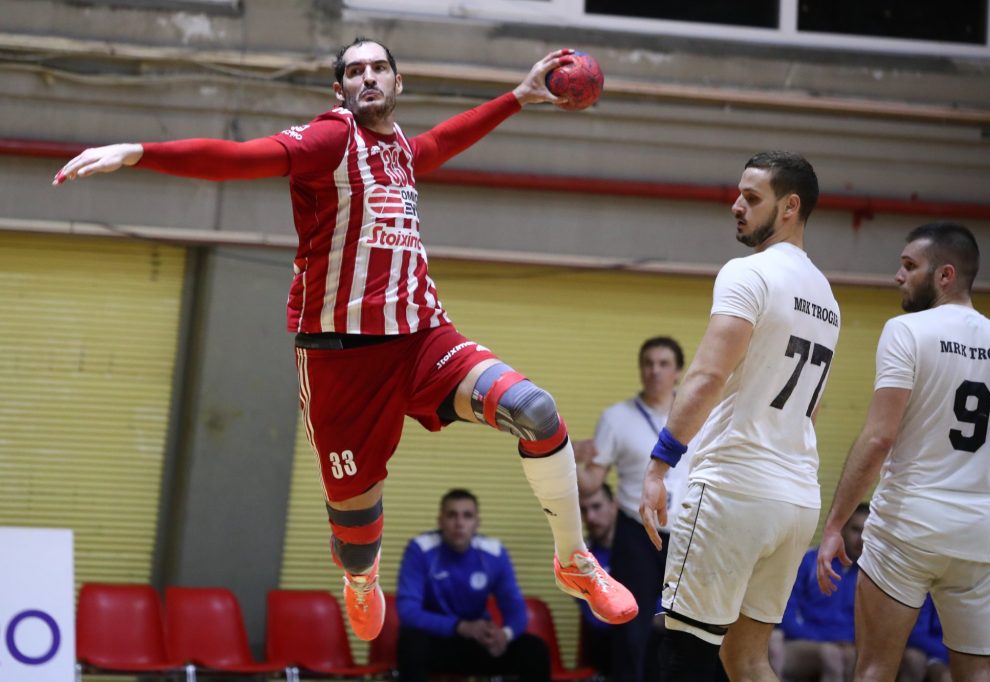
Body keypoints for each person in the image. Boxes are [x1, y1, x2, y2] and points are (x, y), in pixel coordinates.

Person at [53, 38, 637, 640]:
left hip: (422, 340)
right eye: (355, 71)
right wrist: (138, 152)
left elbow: (441, 142)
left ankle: (573, 561)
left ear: (398, 82)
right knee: (356, 540)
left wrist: (517, 96)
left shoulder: (400, 149)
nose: (368, 77)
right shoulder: (330, 140)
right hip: (341, 361)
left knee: (535, 411)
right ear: (340, 91)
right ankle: (361, 578)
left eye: (379, 68)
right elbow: (238, 158)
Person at [640, 150, 839, 682]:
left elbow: (706, 376)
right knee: (747, 661)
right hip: (796, 498)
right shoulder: (826, 296)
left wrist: (660, 465)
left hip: (734, 491)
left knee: (683, 653)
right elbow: (812, 408)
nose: (736, 205)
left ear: (790, 207)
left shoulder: (748, 272)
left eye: (752, 198)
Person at [817, 222, 990, 681]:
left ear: (945, 274)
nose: (898, 275)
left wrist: (833, 524)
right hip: (981, 535)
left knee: (874, 668)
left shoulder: (906, 331)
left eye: (909, 266)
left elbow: (878, 438)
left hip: (908, 525)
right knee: (979, 673)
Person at [576, 335, 687, 680]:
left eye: (664, 364)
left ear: (678, 372)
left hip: (688, 533)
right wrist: (563, 454)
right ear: (640, 369)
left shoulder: (697, 413)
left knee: (693, 626)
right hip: (636, 532)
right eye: (648, 363)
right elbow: (590, 483)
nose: (655, 371)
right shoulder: (616, 417)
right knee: (630, 625)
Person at [396, 488, 551, 681]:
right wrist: (459, 626)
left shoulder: (494, 553)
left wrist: (505, 635)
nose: (459, 523)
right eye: (452, 515)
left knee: (534, 649)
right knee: (411, 643)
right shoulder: (420, 549)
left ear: (477, 522)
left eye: (467, 516)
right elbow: (408, 612)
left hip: (478, 643)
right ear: (440, 521)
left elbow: (515, 607)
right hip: (437, 641)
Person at [780, 503, 869, 682]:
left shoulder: (872, 575)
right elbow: (786, 616)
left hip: (846, 647)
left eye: (867, 533)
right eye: (856, 530)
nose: (861, 539)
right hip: (801, 642)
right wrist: (828, 641)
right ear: (841, 529)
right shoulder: (809, 562)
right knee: (833, 656)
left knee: (856, 659)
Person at [577, 482, 617, 675]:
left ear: (614, 506)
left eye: (596, 506)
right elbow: (596, 617)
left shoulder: (641, 551)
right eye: (584, 510)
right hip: (607, 644)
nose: (590, 517)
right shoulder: (581, 559)